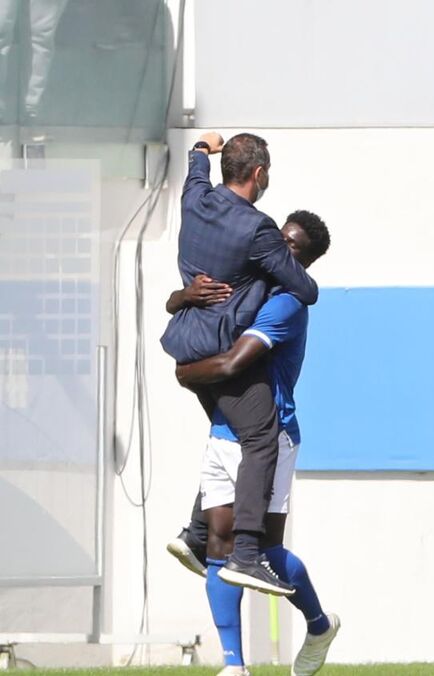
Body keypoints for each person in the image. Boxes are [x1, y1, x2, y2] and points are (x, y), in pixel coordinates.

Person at [170, 212, 338, 676]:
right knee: (219, 545)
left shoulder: (286, 304)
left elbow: (232, 363)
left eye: (291, 246)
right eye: (279, 238)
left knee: (261, 552)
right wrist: (185, 297)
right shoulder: (251, 285)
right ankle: (234, 666)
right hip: (225, 430)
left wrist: (185, 371)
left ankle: (319, 625)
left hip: (270, 435)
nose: (279, 248)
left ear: (304, 261)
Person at [162, 132, 319, 595]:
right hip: (217, 352)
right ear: (259, 173)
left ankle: (196, 534)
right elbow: (305, 289)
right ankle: (247, 554)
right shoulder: (258, 229)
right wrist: (267, 268)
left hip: (185, 345)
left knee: (229, 432)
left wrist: (202, 148)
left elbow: (195, 168)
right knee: (261, 438)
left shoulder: (194, 200)